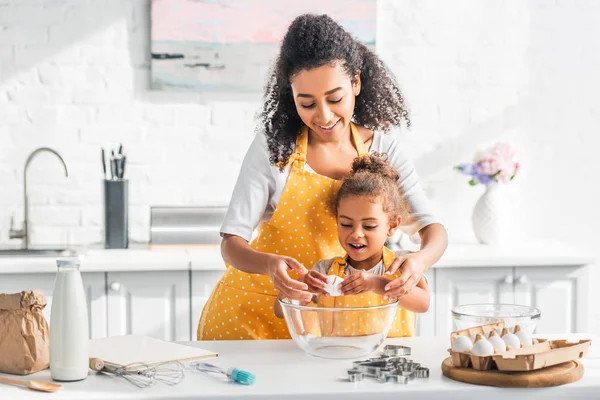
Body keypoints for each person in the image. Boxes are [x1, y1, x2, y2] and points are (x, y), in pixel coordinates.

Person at [197, 14, 447, 340]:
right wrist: (272, 266)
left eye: (335, 98)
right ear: (292, 95)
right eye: (307, 103)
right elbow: (232, 246)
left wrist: (418, 262)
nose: (324, 116)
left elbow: (433, 231)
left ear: (355, 83)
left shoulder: (384, 150)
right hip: (254, 316)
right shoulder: (275, 148)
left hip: (329, 326)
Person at [273, 153, 430, 337]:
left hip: (391, 363)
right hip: (338, 358)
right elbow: (279, 310)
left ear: (392, 225)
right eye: (346, 224)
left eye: (369, 226)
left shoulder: (401, 265)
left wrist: (377, 283)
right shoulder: (325, 270)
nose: (356, 234)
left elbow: (423, 304)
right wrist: (301, 285)